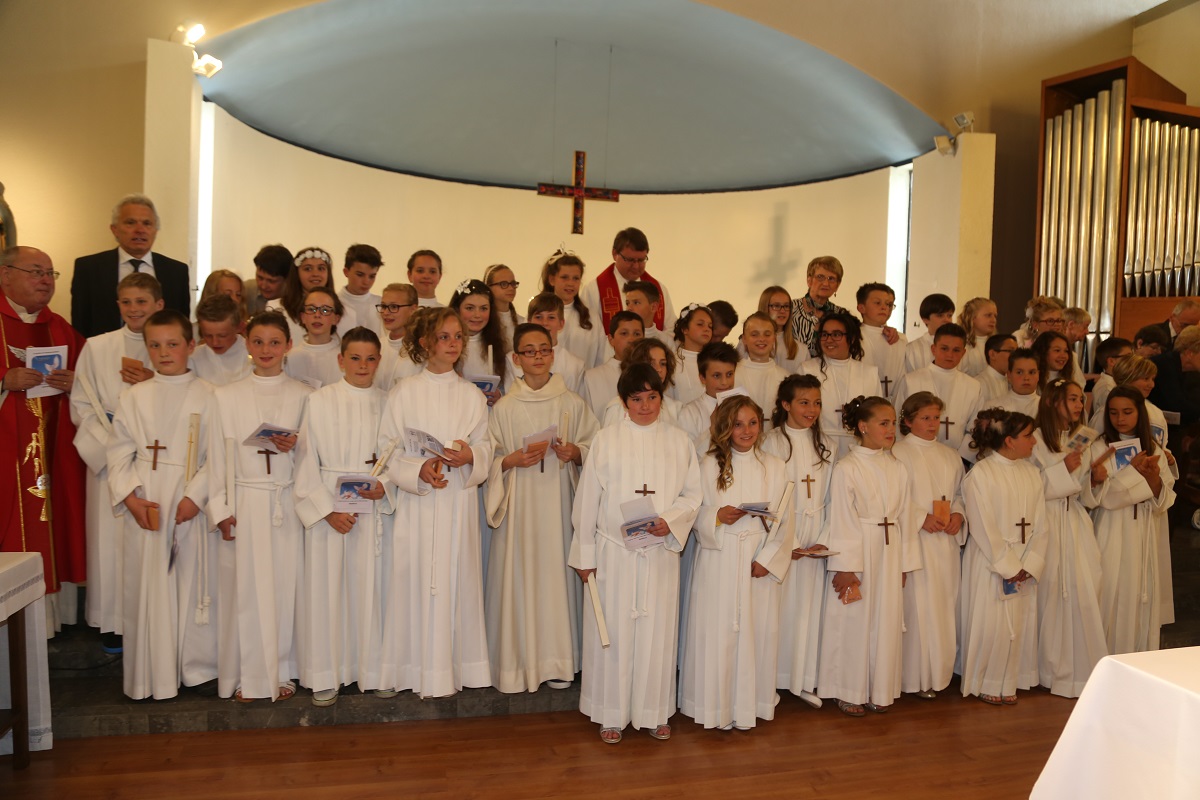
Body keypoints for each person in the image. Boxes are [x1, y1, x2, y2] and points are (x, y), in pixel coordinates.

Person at [569, 363, 702, 744]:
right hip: (614, 554)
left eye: (652, 397)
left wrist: (670, 521)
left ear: (662, 398)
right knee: (613, 633)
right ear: (624, 401)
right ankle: (610, 712)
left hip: (658, 553)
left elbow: (692, 495)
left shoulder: (679, 441)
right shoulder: (606, 440)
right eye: (636, 398)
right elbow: (588, 500)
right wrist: (585, 556)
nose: (645, 406)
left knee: (656, 634)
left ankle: (654, 711)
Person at [377, 307, 493, 698]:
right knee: (414, 578)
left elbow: (486, 444)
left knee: (457, 578)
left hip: (457, 500)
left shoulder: (471, 395)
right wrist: (419, 469)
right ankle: (410, 668)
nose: (453, 343)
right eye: (444, 337)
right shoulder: (404, 392)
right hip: (420, 502)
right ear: (425, 342)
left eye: (458, 336)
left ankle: (457, 667)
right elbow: (387, 448)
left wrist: (470, 456)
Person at [484, 323, 598, 693]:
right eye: (529, 351)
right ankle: (519, 665)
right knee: (521, 579)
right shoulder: (504, 407)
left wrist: (576, 452)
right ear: (516, 359)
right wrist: (509, 460)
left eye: (544, 350)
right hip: (519, 510)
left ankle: (559, 662)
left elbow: (597, 447)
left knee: (556, 581)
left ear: (553, 352)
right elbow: (488, 456)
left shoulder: (572, 403)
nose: (537, 357)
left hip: (559, 506)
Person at [107, 309, 215, 699]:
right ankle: (149, 676)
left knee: (188, 581)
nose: (164, 352)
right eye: (155, 345)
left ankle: (195, 669)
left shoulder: (210, 396)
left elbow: (216, 457)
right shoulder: (133, 397)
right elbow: (118, 452)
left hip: (186, 502)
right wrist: (131, 498)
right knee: (148, 585)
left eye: (172, 344)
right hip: (146, 500)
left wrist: (195, 496)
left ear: (191, 346)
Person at [207, 311, 313, 702]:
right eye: (258, 342)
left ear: (288, 346)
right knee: (246, 592)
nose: (266, 349)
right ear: (247, 345)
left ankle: (284, 671)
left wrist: (298, 443)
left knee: (287, 588)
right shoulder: (225, 396)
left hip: (287, 501)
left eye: (274, 342)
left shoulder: (305, 395)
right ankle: (247, 676)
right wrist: (219, 509)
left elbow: (317, 455)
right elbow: (216, 457)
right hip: (246, 501)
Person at [679, 396, 793, 731]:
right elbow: (692, 510)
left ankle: (749, 706)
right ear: (725, 426)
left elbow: (786, 518)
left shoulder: (775, 466)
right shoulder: (708, 465)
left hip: (757, 559)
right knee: (718, 633)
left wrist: (768, 559)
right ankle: (714, 707)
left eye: (752, 423)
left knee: (757, 631)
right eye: (738, 424)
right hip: (720, 557)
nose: (746, 431)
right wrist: (716, 516)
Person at [292, 327, 388, 706]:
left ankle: (374, 670)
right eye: (355, 358)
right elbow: (305, 462)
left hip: (373, 507)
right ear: (340, 360)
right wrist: (327, 510)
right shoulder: (318, 401)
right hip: (330, 507)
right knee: (327, 591)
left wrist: (385, 486)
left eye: (370, 359)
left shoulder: (388, 402)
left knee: (373, 589)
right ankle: (326, 674)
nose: (362, 366)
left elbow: (396, 457)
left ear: (379, 361)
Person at [70, 272, 161, 650]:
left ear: (158, 304)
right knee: (109, 544)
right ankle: (111, 622)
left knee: (147, 539)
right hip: (108, 454)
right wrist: (113, 449)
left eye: (142, 301)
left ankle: (151, 619)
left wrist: (153, 379)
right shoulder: (96, 347)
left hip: (155, 454)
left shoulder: (168, 343)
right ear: (118, 305)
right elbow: (81, 403)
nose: (134, 309)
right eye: (126, 302)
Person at [1, 246, 87, 623]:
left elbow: (94, 380)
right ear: (5, 275)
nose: (46, 281)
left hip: (54, 449)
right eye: (36, 272)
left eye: (51, 274)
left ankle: (53, 619)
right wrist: (4, 380)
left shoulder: (61, 328)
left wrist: (77, 383)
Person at [816, 396, 918, 716]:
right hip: (860, 549)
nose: (891, 429)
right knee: (854, 621)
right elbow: (842, 519)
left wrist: (904, 563)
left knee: (885, 621)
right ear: (863, 426)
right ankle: (847, 689)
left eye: (893, 423)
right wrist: (847, 567)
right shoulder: (848, 467)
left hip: (889, 550)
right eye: (883, 423)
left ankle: (879, 688)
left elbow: (905, 517)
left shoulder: (898, 467)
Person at [959, 409, 1047, 706]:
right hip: (991, 562)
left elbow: (1042, 524)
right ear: (1009, 440)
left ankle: (1010, 680)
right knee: (991, 623)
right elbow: (982, 525)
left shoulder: (1031, 473)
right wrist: (1008, 566)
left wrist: (1030, 562)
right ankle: (985, 680)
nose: (1034, 442)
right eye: (1028, 436)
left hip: (1023, 560)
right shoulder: (981, 474)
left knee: (1018, 624)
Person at [1030, 378, 1108, 698]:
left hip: (1074, 521)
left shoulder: (1082, 439)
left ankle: (1078, 670)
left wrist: (1095, 480)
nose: (1079, 405)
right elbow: (1029, 487)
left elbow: (1084, 496)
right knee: (1049, 593)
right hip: (1047, 521)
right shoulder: (1035, 438)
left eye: (1080, 399)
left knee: (1083, 589)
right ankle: (1046, 669)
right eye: (1072, 399)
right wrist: (1062, 469)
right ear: (1052, 401)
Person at [762, 374, 832, 709]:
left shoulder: (826, 445)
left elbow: (833, 497)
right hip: (784, 536)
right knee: (779, 610)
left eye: (816, 403)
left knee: (807, 611)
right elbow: (768, 495)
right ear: (785, 404)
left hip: (814, 535)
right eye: (804, 402)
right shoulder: (771, 443)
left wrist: (823, 539)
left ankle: (802, 679)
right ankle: (771, 680)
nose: (812, 409)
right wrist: (784, 541)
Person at [1090, 387, 1175, 654]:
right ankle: (1104, 658)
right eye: (1113, 413)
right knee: (1110, 593)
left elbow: (1164, 498)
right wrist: (1135, 474)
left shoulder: (1154, 448)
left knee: (1140, 595)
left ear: (1140, 412)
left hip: (1143, 532)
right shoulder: (1099, 448)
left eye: (1127, 412)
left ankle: (1136, 658)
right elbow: (1104, 497)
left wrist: (1152, 478)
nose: (1120, 419)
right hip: (1110, 528)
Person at [892, 392, 964, 700]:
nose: (933, 423)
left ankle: (939, 675)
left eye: (936, 417)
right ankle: (914, 676)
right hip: (916, 541)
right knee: (918, 607)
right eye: (925, 418)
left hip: (945, 544)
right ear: (908, 421)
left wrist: (958, 514)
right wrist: (921, 518)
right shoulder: (898, 453)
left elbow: (960, 493)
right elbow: (894, 497)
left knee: (944, 605)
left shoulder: (950, 455)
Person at [71, 194, 191, 338]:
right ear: (114, 229)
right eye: (130, 222)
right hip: (106, 350)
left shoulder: (176, 272)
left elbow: (182, 327)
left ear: (155, 230)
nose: (140, 229)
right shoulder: (88, 269)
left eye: (147, 223)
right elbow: (80, 326)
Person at [894, 323, 983, 453]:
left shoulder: (973, 386)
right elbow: (899, 422)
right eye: (944, 348)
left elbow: (974, 428)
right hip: (915, 452)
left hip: (956, 456)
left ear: (963, 353)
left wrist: (960, 457)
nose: (950, 355)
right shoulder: (911, 380)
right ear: (933, 349)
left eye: (956, 350)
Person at [801, 313, 880, 460]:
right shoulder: (807, 369)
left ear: (851, 338)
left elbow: (876, 416)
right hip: (817, 445)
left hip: (858, 448)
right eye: (825, 334)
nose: (829, 339)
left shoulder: (869, 373)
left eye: (836, 334)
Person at [580, 227, 676, 341]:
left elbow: (671, 330)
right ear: (615, 254)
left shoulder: (659, 289)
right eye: (630, 260)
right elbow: (589, 334)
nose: (636, 266)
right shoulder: (594, 290)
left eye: (641, 260)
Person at [450, 279, 512, 406]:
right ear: (457, 309)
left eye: (483, 308)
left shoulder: (500, 344)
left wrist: (500, 394)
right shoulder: (446, 345)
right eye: (470, 308)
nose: (477, 315)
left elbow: (510, 385)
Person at [598, 338, 682, 427]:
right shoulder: (617, 407)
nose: (659, 369)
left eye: (663, 364)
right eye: (651, 363)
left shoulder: (674, 408)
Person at [541, 249, 603, 369]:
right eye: (564, 277)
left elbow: (600, 357)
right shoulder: (538, 315)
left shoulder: (591, 317)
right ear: (552, 280)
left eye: (576, 278)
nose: (570, 283)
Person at [676, 342, 739, 456]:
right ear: (702, 378)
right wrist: (712, 429)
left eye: (729, 374)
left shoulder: (743, 407)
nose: (724, 382)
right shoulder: (689, 414)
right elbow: (686, 457)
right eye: (717, 376)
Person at [580, 310, 644, 420]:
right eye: (624, 333)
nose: (631, 339)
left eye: (637, 334)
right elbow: (587, 421)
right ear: (611, 339)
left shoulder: (654, 373)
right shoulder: (591, 378)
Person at [284, 288, 345, 390]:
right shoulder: (290, 357)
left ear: (336, 319)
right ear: (303, 317)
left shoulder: (345, 357)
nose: (317, 315)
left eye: (325, 310)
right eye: (311, 309)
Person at [526, 292, 584, 394]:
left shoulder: (575, 366)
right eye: (538, 317)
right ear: (529, 321)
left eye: (551, 317)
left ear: (561, 324)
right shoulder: (514, 361)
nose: (544, 323)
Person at [791, 256, 849, 357]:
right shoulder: (790, 309)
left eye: (831, 279)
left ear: (837, 285)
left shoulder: (841, 315)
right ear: (809, 280)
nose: (826, 283)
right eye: (820, 277)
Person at [857, 282, 906, 401]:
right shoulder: (854, 336)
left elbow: (903, 375)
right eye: (877, 303)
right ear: (861, 307)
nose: (885, 308)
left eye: (889, 304)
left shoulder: (900, 339)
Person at [191, 294, 253, 386]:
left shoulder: (253, 354)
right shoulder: (193, 358)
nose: (215, 342)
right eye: (208, 336)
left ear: (239, 327)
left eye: (222, 336)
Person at [736, 312, 788, 419]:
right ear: (744, 339)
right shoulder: (733, 373)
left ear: (774, 338)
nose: (761, 339)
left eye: (767, 334)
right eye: (754, 334)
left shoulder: (785, 377)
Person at [375, 283, 420, 391]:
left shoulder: (421, 350)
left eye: (394, 307)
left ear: (413, 309)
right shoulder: (377, 346)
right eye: (384, 306)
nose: (386, 312)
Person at [669, 303, 715, 405]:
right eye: (700, 324)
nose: (707, 329)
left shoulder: (714, 361)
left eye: (710, 326)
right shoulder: (672, 363)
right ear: (685, 329)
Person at [756, 285, 806, 374]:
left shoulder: (801, 350)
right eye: (776, 306)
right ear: (765, 307)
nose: (782, 311)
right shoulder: (749, 344)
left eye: (786, 306)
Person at [338, 244, 384, 339]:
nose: (366, 282)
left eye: (372, 276)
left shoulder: (382, 304)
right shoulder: (334, 303)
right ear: (346, 272)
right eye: (360, 275)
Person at [903, 293, 955, 372]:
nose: (947, 320)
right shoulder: (912, 349)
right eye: (940, 315)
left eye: (949, 315)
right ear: (925, 319)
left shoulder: (957, 347)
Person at [244, 244, 292, 317]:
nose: (263, 286)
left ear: (287, 279)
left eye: (271, 281)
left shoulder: (298, 298)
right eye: (260, 278)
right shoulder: (245, 290)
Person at [1089, 336, 1133, 416]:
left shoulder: (1113, 383)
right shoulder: (1107, 389)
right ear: (1111, 361)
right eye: (1128, 357)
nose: (1133, 361)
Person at [957, 297, 998, 377]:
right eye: (988, 315)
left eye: (995, 316)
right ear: (972, 317)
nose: (993, 320)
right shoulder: (963, 345)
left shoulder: (997, 345)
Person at [484, 264, 523, 346]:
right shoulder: (482, 321)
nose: (511, 288)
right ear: (488, 287)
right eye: (504, 284)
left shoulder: (522, 322)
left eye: (513, 283)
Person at [622, 280, 671, 345]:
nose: (629, 308)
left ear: (653, 307)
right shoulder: (620, 339)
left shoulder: (666, 342)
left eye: (636, 303)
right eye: (627, 303)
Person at [978, 333, 1017, 401]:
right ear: (992, 354)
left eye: (1017, 352)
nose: (1016, 356)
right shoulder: (979, 384)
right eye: (1010, 351)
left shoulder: (1013, 381)